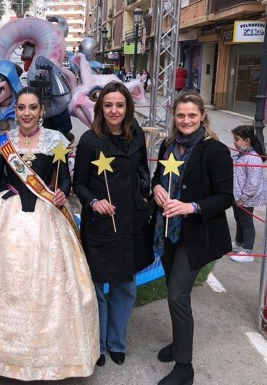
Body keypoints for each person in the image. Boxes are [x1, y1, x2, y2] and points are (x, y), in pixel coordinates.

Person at [0, 87, 99, 381]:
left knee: (48, 282)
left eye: (32, 108)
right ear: (15, 111)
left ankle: (48, 355)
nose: (26, 113)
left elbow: (66, 181)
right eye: (21, 108)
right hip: (6, 217)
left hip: (46, 218)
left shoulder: (56, 141)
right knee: (3, 280)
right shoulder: (3, 143)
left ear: (41, 111)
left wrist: (63, 193)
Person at [152, 90, 233, 385]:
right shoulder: (168, 144)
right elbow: (158, 180)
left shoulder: (215, 150)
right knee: (173, 290)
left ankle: (185, 368)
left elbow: (225, 198)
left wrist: (192, 206)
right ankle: (179, 344)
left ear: (202, 117)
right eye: (181, 115)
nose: (186, 120)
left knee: (177, 294)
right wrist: (156, 190)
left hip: (197, 235)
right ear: (174, 117)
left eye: (192, 115)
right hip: (168, 231)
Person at [73, 81, 154, 367]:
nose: (114, 110)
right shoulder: (89, 141)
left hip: (130, 224)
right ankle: (98, 344)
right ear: (100, 108)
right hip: (100, 225)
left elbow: (144, 168)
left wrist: (145, 193)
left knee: (125, 287)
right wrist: (94, 202)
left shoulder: (137, 135)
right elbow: (79, 183)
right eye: (108, 105)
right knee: (96, 288)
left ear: (128, 108)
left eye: (119, 105)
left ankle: (117, 341)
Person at [230, 125, 267, 262]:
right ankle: (239, 243)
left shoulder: (253, 158)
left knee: (246, 222)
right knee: (239, 220)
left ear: (247, 140)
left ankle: (248, 250)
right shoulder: (242, 155)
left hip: (246, 197)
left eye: (237, 139)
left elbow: (253, 182)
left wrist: (243, 197)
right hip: (237, 195)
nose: (234, 142)